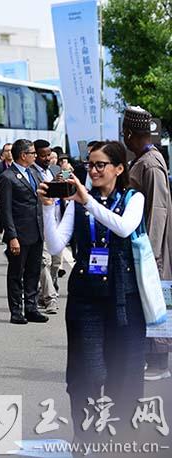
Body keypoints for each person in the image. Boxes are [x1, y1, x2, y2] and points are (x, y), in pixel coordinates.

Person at [39, 141, 147, 448]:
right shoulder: (77, 202)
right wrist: (47, 208)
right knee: (86, 373)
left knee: (124, 373)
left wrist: (87, 201)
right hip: (85, 297)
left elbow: (123, 228)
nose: (94, 170)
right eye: (90, 164)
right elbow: (56, 244)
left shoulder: (133, 198)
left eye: (101, 165)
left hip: (124, 298)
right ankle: (84, 436)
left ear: (119, 168)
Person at [123, 106, 172, 381]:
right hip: (143, 244)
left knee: (156, 298)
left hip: (152, 248)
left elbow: (159, 210)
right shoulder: (142, 160)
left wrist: (150, 253)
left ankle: (158, 363)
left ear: (130, 133)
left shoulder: (150, 164)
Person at [0, 139, 48, 325]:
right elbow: (5, 210)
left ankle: (32, 308)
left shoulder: (34, 172)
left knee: (33, 272)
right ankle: (16, 310)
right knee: (16, 274)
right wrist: (12, 237)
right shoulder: (7, 177)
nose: (35, 156)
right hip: (19, 233)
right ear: (23, 155)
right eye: (32, 153)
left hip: (37, 230)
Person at [31, 139, 60, 314]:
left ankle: (43, 293)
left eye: (49, 154)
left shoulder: (53, 170)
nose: (47, 158)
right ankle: (50, 298)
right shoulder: (31, 173)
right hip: (41, 223)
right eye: (43, 155)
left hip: (56, 222)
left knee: (56, 262)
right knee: (44, 261)